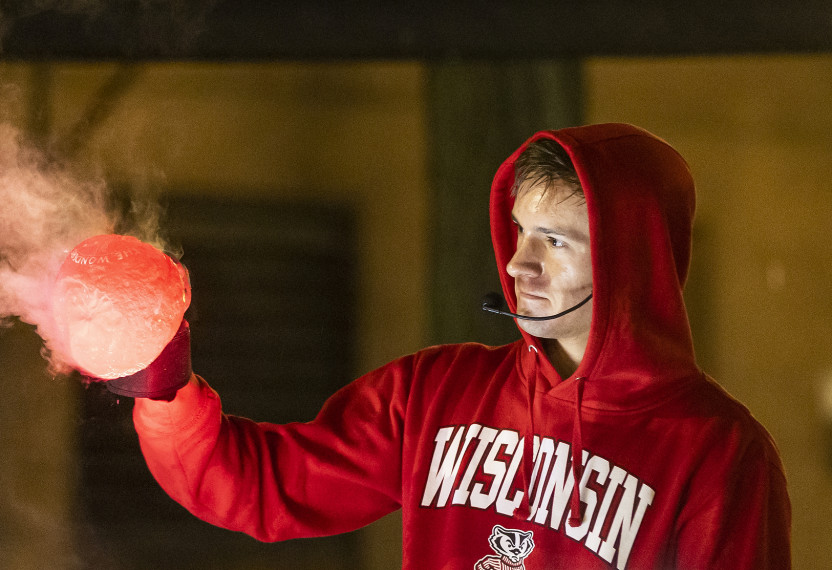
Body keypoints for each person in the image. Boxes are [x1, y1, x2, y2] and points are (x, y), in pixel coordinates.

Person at [118, 123, 791, 569]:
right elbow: (263, 489)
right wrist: (163, 389)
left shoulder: (720, 451)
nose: (521, 264)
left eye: (555, 242)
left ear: (632, 259)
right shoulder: (436, 391)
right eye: (522, 232)